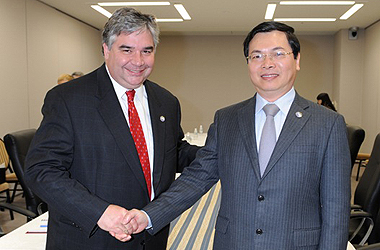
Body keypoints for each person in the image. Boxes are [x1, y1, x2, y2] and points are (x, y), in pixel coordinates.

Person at [124, 21, 351, 249]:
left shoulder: (327, 124)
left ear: (297, 59)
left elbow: (336, 208)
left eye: (278, 54)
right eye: (257, 56)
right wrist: (148, 216)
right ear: (248, 63)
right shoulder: (227, 120)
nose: (267, 64)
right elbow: (196, 179)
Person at [24, 7, 199, 250]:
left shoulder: (166, 102)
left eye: (146, 51)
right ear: (106, 50)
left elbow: (174, 151)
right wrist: (100, 213)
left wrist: (220, 150)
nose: (138, 61)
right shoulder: (69, 99)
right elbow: (41, 169)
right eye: (126, 50)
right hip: (89, 239)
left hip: (149, 238)